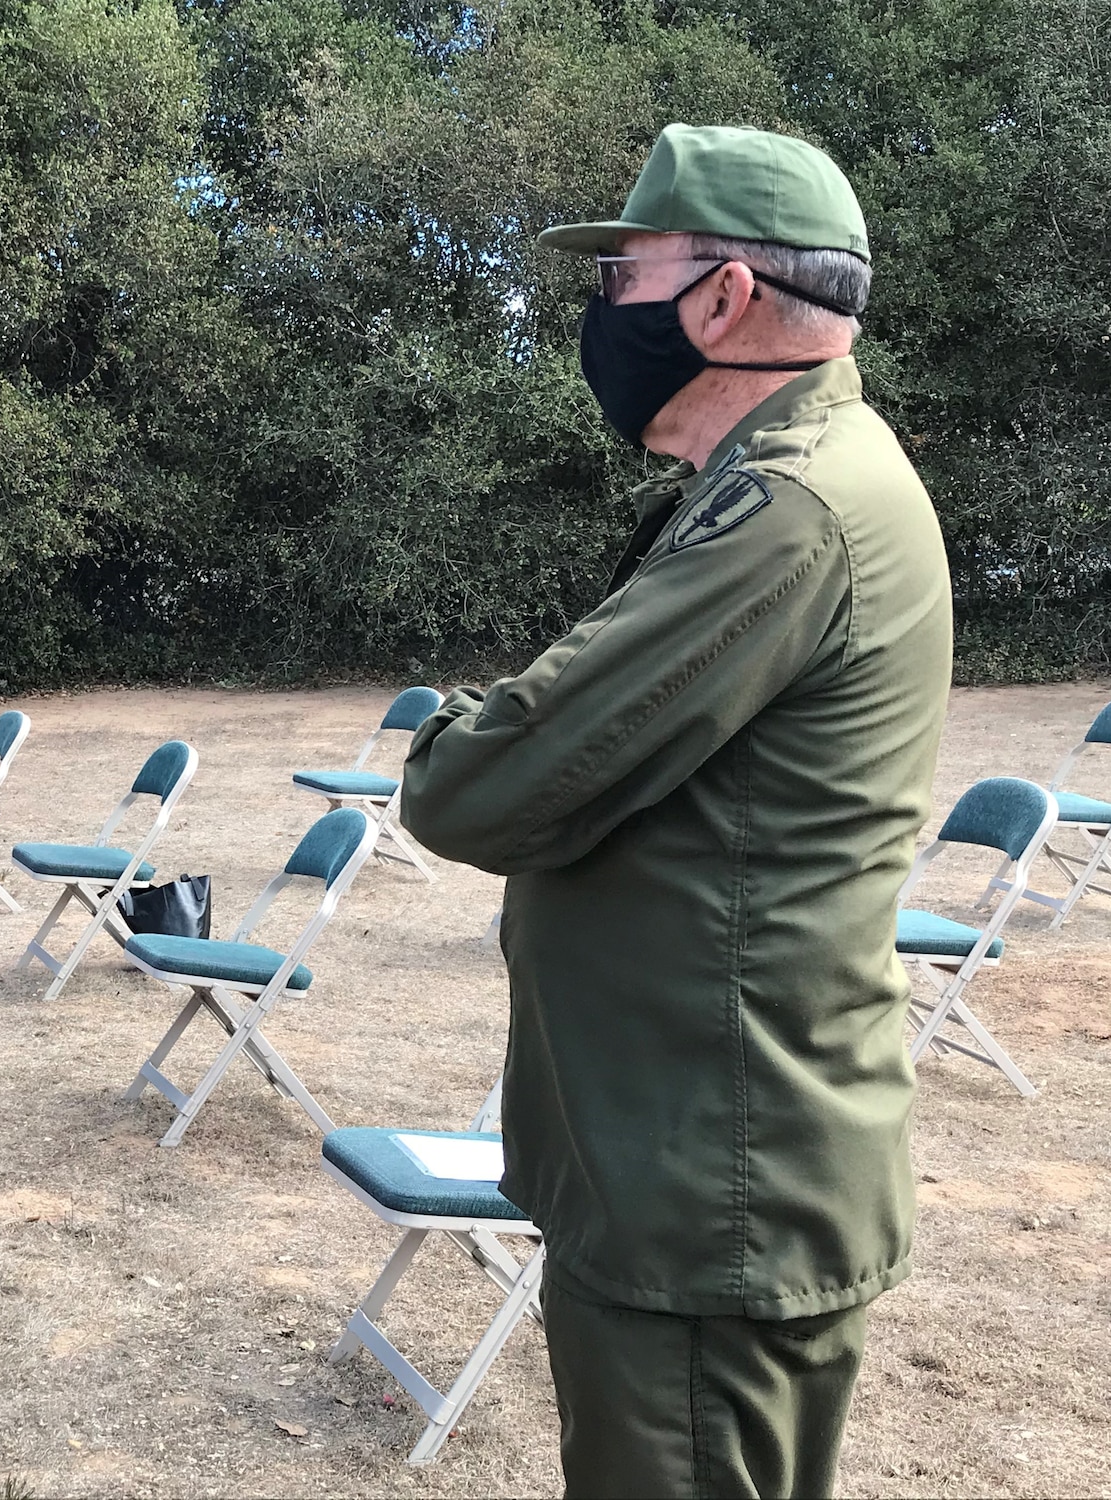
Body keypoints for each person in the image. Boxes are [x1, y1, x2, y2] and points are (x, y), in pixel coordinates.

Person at [400, 124, 952, 1498]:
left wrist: (459, 728)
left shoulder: (790, 510)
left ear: (723, 299)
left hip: (711, 1185)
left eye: (623, 276)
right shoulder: (779, 486)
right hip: (699, 1166)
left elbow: (482, 785)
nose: (603, 315)